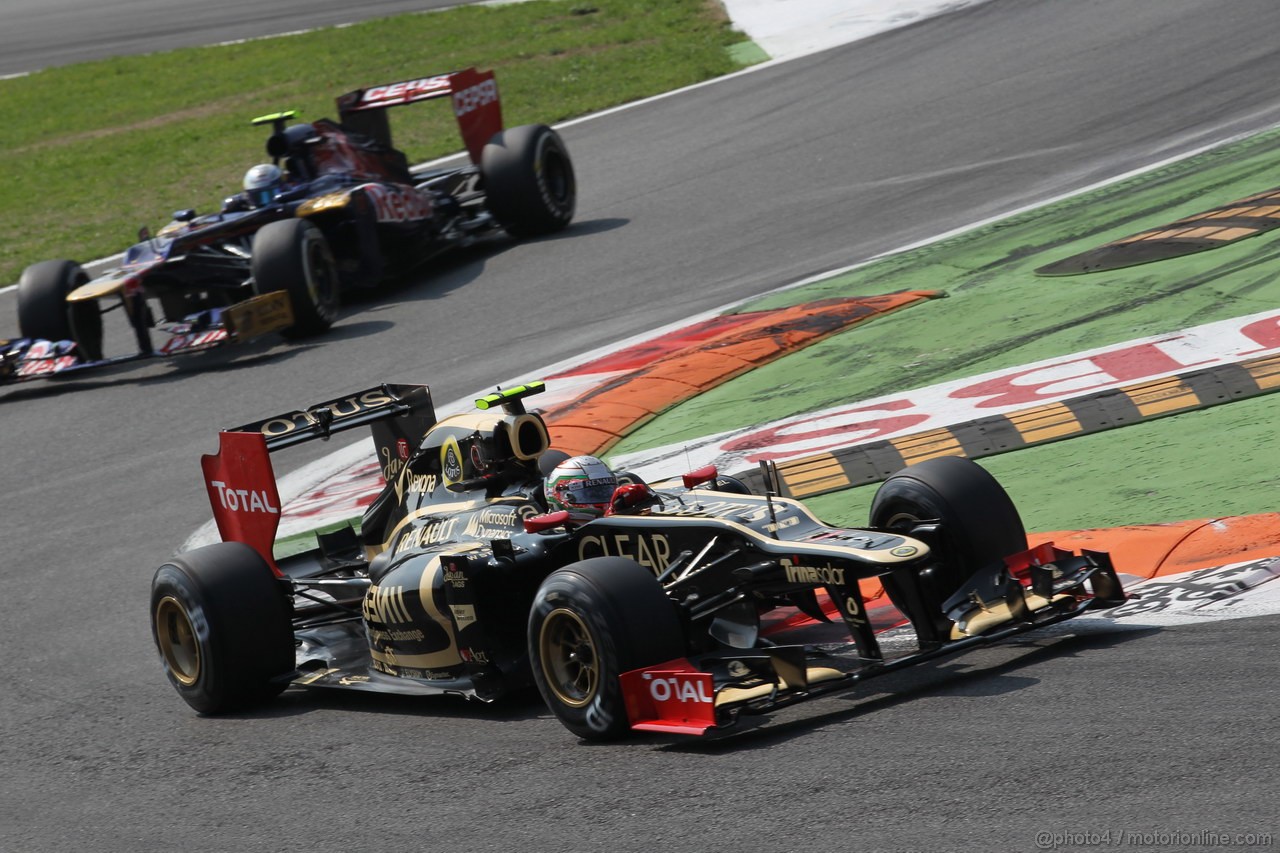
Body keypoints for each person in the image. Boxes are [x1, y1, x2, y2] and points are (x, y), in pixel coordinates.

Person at [543, 455, 619, 522]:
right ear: (565, 496)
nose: (603, 497)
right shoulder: (553, 534)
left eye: (607, 490)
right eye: (591, 494)